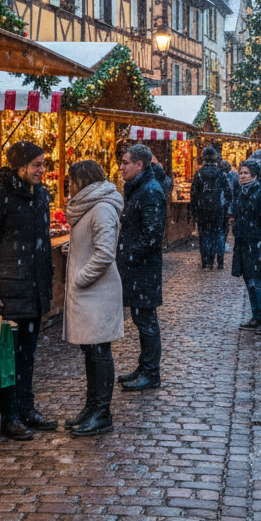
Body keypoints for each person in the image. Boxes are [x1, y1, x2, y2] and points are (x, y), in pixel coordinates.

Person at [0, 141, 59, 439]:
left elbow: (43, 242)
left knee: (28, 354)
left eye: (43, 164)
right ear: (20, 165)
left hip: (34, 288)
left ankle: (27, 409)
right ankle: (9, 417)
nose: (42, 170)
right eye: (36, 165)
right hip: (8, 290)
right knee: (7, 357)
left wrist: (46, 281)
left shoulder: (41, 195)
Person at [61, 160, 125, 437]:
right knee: (91, 351)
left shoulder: (101, 208)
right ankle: (92, 407)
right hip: (90, 295)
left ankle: (102, 413)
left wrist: (80, 278)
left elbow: (105, 253)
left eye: (71, 180)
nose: (69, 186)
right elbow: (93, 245)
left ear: (82, 181)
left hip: (97, 293)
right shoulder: (91, 207)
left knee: (99, 353)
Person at [116, 144, 168, 392]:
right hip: (138, 268)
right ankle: (144, 366)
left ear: (140, 165)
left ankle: (150, 372)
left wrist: (128, 255)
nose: (121, 167)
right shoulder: (141, 188)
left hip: (144, 269)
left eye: (126, 162)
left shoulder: (149, 191)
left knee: (146, 321)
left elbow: (152, 235)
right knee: (141, 319)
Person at [232, 159, 261, 334]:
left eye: (245, 173)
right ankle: (257, 316)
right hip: (243, 243)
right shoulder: (241, 192)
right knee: (249, 281)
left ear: (254, 175)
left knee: (258, 282)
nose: (242, 176)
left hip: (257, 243)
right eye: (240, 172)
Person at [190, 146, 231, 270]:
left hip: (203, 209)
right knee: (218, 233)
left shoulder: (199, 174)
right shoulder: (221, 174)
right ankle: (219, 260)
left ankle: (206, 260)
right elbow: (228, 193)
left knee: (204, 234)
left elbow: (193, 194)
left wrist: (194, 210)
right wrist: (226, 206)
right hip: (218, 208)